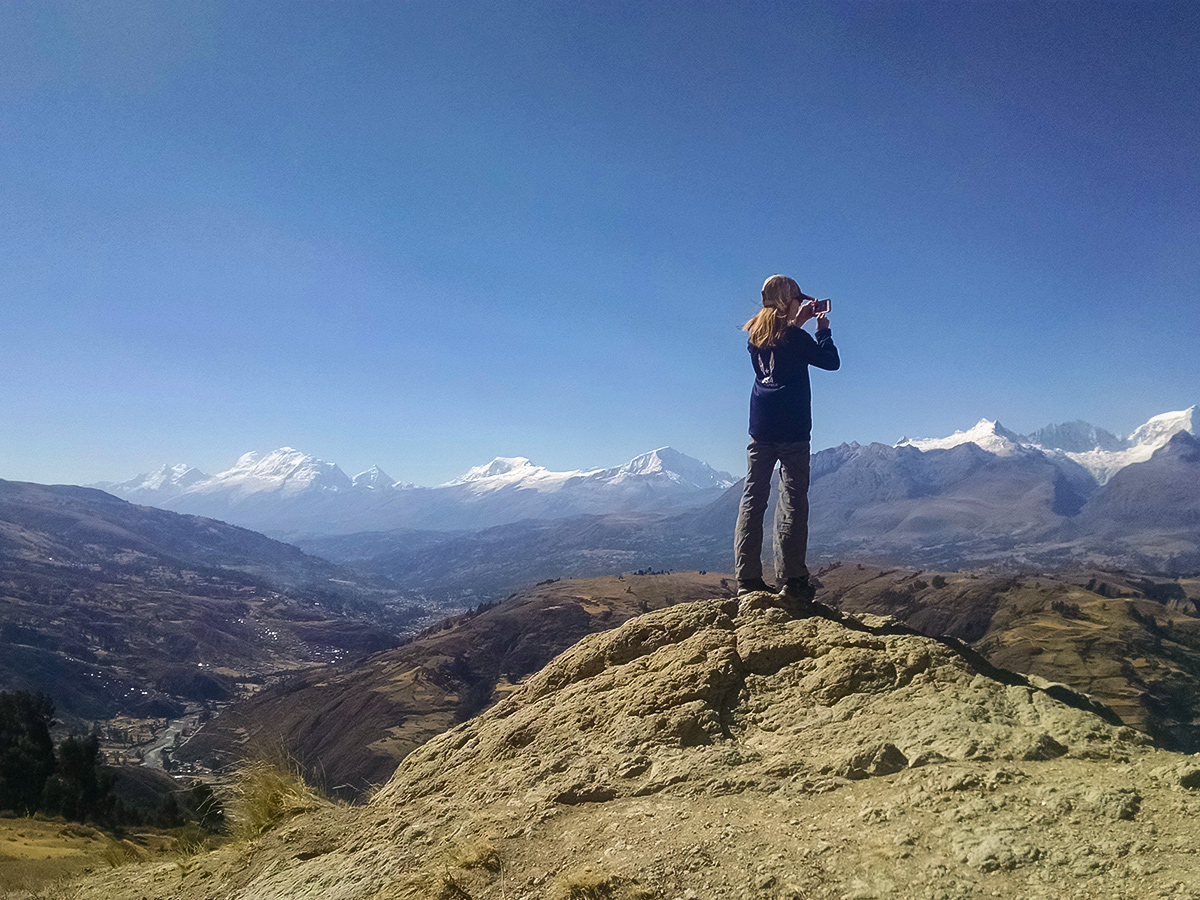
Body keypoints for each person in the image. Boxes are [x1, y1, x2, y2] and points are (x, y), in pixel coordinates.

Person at [734, 274, 840, 599]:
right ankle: (793, 581)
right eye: (798, 299)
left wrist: (797, 322)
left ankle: (747, 580)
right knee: (793, 500)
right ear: (788, 301)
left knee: (753, 498)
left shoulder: (755, 335)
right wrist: (822, 331)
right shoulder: (796, 337)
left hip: (761, 428)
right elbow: (831, 362)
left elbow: (780, 349)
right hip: (793, 430)